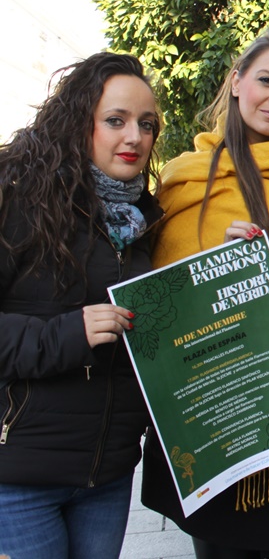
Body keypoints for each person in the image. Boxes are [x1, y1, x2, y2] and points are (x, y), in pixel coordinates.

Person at [140, 28, 269, 558]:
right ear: (236, 82)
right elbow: (159, 296)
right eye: (266, 80)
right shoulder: (183, 181)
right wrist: (215, 266)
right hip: (214, 413)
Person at [0, 53, 162, 558]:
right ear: (78, 122)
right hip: (22, 479)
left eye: (146, 124)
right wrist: (68, 335)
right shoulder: (18, 197)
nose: (134, 137)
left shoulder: (144, 220)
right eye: (115, 120)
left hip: (108, 477)